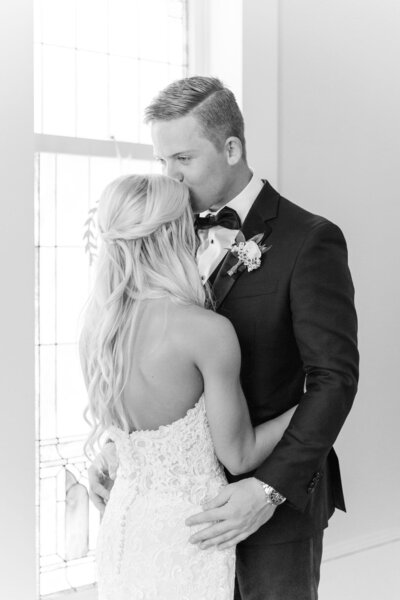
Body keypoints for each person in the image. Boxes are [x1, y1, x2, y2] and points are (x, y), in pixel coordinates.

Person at [88, 77, 359, 600]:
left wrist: (267, 490)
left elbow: (335, 379)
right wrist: (126, 445)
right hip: (179, 519)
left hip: (272, 515)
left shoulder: (310, 240)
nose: (170, 175)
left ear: (231, 148)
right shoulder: (164, 230)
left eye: (183, 158)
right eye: (163, 160)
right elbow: (148, 353)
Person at [80, 173, 296, 600]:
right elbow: (239, 453)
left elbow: (130, 436)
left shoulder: (97, 332)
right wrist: (311, 402)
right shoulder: (205, 331)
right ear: (174, 234)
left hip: (124, 530)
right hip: (190, 539)